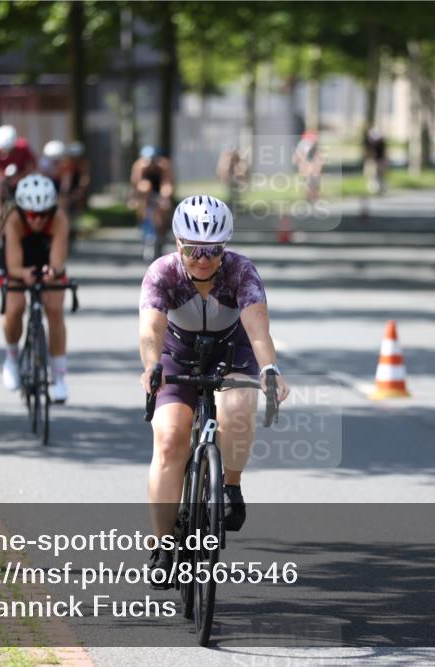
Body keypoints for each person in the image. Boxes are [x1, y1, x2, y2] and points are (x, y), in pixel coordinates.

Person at [139, 195, 290, 584]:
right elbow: (151, 330)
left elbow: (258, 328)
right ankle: (162, 546)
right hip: (176, 354)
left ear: (225, 247)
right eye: (193, 249)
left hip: (231, 350)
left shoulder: (241, 271)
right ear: (178, 243)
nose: (203, 259)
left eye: (213, 249)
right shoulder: (162, 273)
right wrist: (152, 366)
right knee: (170, 438)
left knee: (237, 408)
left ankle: (230, 485)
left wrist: (270, 368)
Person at [0, 174, 71, 404]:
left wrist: (52, 271)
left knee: (55, 309)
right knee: (15, 307)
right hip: (18, 261)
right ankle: (11, 358)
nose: (38, 220)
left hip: (46, 258)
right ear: (22, 211)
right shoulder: (13, 219)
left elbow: (58, 261)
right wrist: (22, 274)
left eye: (43, 214)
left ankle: (58, 378)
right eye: (32, 215)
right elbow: (13, 266)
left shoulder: (59, 218)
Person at [129, 145, 175, 262]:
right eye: (147, 161)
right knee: (144, 188)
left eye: (152, 160)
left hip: (159, 188)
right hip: (146, 191)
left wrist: (165, 198)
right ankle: (143, 225)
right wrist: (134, 199)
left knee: (164, 207)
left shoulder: (164, 166)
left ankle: (163, 231)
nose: (150, 164)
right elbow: (136, 185)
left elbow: (167, 184)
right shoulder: (139, 166)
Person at [0, 125, 36, 219]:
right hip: (3, 178)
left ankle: (31, 213)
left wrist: (20, 177)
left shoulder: (23, 147)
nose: (5, 154)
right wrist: (2, 179)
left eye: (8, 151)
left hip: (22, 177)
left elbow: (32, 166)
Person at [39, 139, 71, 213]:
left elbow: (66, 180)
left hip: (59, 181)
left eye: (57, 160)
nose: (55, 162)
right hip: (48, 181)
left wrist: (63, 193)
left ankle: (62, 212)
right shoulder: (44, 163)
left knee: (63, 198)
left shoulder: (65, 163)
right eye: (53, 160)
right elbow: (42, 177)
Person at [65, 141, 91, 224]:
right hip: (71, 183)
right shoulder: (68, 164)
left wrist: (80, 190)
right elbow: (67, 178)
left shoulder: (83, 163)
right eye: (73, 157)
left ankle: (80, 217)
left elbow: (84, 177)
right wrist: (66, 191)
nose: (75, 159)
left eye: (76, 157)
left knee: (80, 198)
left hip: (78, 184)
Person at [293, 130, 323, 201]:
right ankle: (310, 196)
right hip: (307, 167)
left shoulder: (307, 145)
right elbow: (298, 157)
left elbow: (319, 158)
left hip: (311, 167)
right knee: (308, 181)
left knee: (313, 181)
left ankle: (313, 196)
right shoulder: (304, 144)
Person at [216, 144, 247, 211]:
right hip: (229, 176)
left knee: (236, 191)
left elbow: (241, 168)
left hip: (233, 176)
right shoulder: (227, 157)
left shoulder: (236, 157)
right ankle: (233, 203)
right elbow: (224, 168)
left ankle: (236, 204)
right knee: (232, 191)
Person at [363, 128, 387, 195]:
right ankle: (373, 189)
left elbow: (383, 154)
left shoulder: (381, 144)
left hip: (379, 161)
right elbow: (368, 153)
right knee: (371, 176)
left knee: (380, 176)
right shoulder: (369, 143)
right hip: (371, 161)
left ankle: (380, 189)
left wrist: (384, 161)